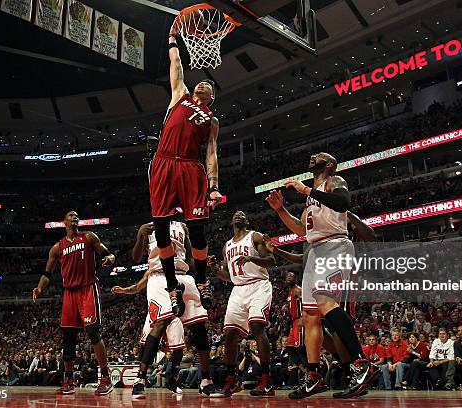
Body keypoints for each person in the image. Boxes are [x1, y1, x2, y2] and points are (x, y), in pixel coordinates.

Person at [267, 152, 378, 399]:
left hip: (335, 245)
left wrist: (306, 191)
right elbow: (300, 229)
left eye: (319, 156)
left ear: (328, 164)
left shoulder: (334, 181)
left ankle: (362, 364)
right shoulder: (312, 199)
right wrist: (280, 210)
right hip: (315, 250)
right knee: (309, 315)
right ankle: (315, 376)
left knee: (324, 300)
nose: (312, 156)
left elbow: (342, 203)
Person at [148, 20, 224, 316]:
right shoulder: (179, 93)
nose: (203, 83)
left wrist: (214, 185)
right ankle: (171, 287)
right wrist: (171, 38)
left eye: (209, 86)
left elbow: (212, 153)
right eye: (202, 82)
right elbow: (176, 62)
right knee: (161, 228)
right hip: (165, 161)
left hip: (192, 168)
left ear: (212, 97)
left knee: (198, 229)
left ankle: (202, 280)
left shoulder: (212, 119)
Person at [111, 220, 217, 398]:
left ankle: (206, 380)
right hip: (159, 277)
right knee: (161, 323)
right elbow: (136, 258)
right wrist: (140, 235)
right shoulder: (149, 227)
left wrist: (204, 267)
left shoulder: (182, 227)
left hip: (183, 276)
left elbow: (190, 258)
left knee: (199, 328)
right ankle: (141, 379)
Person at [32, 210, 115, 395]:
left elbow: (107, 253)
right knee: (68, 338)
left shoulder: (89, 237)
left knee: (93, 332)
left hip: (88, 288)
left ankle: (106, 378)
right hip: (69, 293)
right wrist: (39, 288)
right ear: (64, 222)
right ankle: (68, 378)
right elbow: (47, 274)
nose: (75, 217)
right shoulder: (57, 247)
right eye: (71, 215)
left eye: (77, 215)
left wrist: (109, 258)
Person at [208, 211, 276, 397]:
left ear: (246, 220)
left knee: (257, 327)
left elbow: (271, 260)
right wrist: (215, 270)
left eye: (242, 214)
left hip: (258, 285)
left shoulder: (255, 236)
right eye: (235, 214)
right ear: (231, 221)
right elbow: (227, 276)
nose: (238, 215)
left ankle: (266, 379)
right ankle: (232, 380)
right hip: (238, 289)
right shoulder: (227, 246)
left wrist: (252, 258)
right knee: (229, 334)